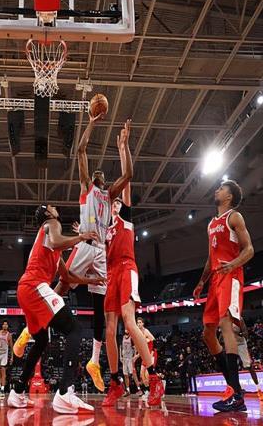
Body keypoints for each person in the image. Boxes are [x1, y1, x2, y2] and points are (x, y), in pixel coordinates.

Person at [7, 204, 105, 414]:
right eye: (51, 206)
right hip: (34, 286)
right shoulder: (51, 223)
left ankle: (17, 391)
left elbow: (67, 277)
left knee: (41, 341)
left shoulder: (52, 248)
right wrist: (81, 237)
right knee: (74, 329)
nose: (54, 207)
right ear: (47, 213)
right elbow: (56, 240)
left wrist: (92, 279)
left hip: (26, 290)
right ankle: (64, 392)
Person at [100, 121, 164, 407]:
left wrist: (123, 148)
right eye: (111, 202)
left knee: (128, 320)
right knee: (109, 328)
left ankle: (154, 377)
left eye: (116, 201)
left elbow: (128, 178)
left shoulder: (125, 215)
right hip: (110, 273)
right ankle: (115, 382)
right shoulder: (104, 227)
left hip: (127, 267)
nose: (114, 203)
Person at [193, 180, 254, 413]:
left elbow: (249, 249)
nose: (217, 190)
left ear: (229, 197)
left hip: (231, 274)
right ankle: (233, 389)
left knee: (225, 326)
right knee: (208, 334)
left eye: (221, 188)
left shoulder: (234, 217)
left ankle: (236, 394)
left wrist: (233, 264)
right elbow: (211, 259)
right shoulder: (211, 224)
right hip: (215, 280)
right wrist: (201, 281)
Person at [233, 318, 263, 401]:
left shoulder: (239, 318)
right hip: (231, 345)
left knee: (249, 367)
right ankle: (236, 391)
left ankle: (259, 389)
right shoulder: (225, 319)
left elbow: (245, 333)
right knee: (232, 368)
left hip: (241, 344)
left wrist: (240, 334)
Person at [120, 330, 134, 397]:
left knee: (132, 374)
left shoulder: (131, 337)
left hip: (130, 357)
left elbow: (135, 347)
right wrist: (120, 356)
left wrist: (134, 356)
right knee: (125, 374)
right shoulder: (122, 337)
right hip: (124, 358)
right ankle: (128, 390)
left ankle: (139, 389)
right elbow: (121, 347)